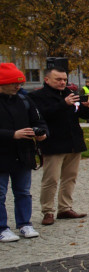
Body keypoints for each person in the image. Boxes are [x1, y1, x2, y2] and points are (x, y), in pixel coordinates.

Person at [28, 66, 89, 225]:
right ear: (47, 79)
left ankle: (65, 207)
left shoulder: (70, 94)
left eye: (64, 79)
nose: (62, 82)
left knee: (70, 177)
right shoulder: (37, 96)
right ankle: (48, 211)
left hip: (73, 141)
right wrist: (63, 104)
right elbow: (41, 115)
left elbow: (81, 114)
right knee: (51, 179)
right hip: (54, 142)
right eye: (58, 79)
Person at [0, 63, 47, 243]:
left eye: (19, 83)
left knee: (23, 191)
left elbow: (39, 121)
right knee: (1, 193)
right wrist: (12, 134)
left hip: (23, 154)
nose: (17, 86)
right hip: (2, 154)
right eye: (13, 83)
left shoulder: (25, 100)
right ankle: (2, 227)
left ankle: (24, 223)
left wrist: (41, 134)